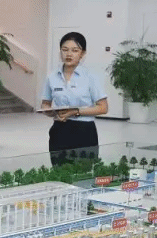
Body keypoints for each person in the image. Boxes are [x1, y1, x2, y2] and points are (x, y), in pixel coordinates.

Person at [40, 31, 108, 166]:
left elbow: (103, 108)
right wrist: (51, 112)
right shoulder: (52, 77)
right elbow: (45, 104)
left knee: (83, 173)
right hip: (59, 130)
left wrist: (75, 112)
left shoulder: (90, 76)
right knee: (59, 172)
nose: (69, 54)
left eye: (75, 50)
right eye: (65, 50)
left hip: (84, 131)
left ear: (82, 53)